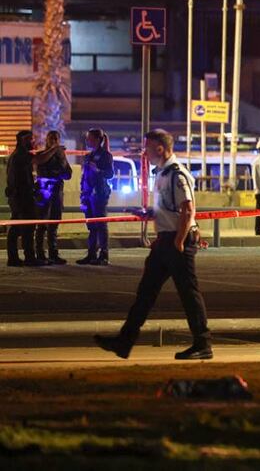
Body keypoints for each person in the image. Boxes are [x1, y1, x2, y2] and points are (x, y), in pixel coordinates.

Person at [94, 129, 212, 361]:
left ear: (160, 148)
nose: (144, 152)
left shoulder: (177, 174)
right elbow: (170, 208)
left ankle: (203, 344)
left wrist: (178, 241)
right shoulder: (162, 173)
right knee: (145, 293)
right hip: (165, 241)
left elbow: (188, 210)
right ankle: (124, 342)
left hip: (176, 240)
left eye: (147, 147)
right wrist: (148, 212)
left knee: (189, 294)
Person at [34, 131, 72, 265]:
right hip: (44, 195)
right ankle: (39, 254)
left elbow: (68, 174)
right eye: (51, 138)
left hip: (57, 195)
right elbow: (41, 166)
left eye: (56, 138)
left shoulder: (61, 156)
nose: (54, 140)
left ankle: (53, 254)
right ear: (47, 140)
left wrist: (60, 158)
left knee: (54, 225)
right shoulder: (41, 154)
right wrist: (56, 174)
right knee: (41, 225)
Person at [77, 128, 114, 266]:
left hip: (99, 194)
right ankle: (91, 254)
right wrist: (82, 192)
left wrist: (98, 170)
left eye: (90, 138)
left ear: (98, 139)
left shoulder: (105, 155)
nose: (88, 141)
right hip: (88, 195)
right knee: (91, 225)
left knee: (101, 224)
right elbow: (84, 176)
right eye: (87, 138)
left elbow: (110, 174)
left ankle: (103, 255)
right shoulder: (88, 156)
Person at [6, 130, 42, 267]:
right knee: (26, 228)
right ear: (23, 140)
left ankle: (14, 258)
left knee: (17, 227)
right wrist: (54, 150)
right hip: (22, 198)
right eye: (30, 139)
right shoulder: (20, 155)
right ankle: (29, 257)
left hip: (18, 197)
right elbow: (39, 159)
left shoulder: (17, 155)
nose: (33, 141)